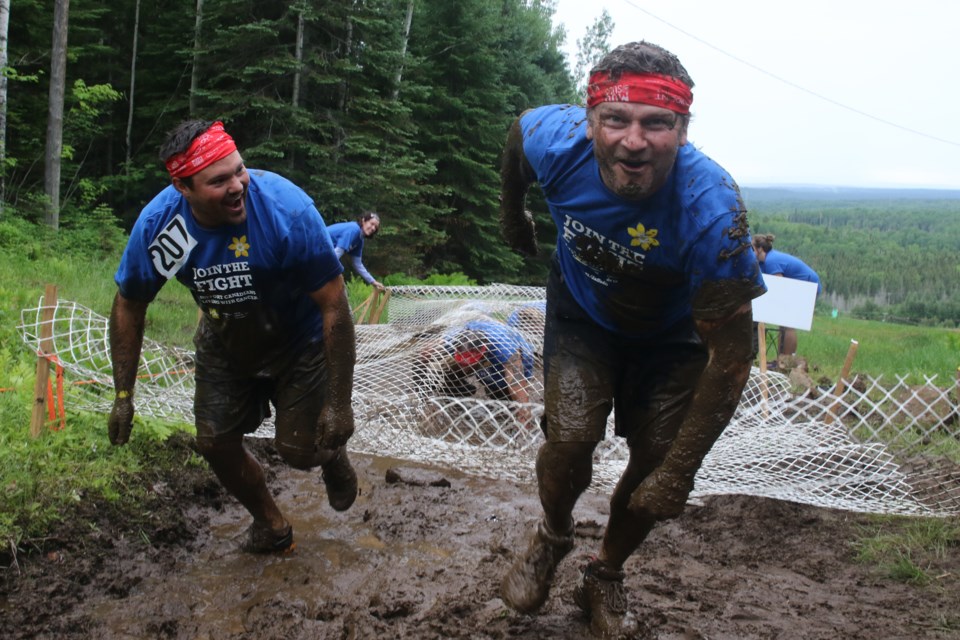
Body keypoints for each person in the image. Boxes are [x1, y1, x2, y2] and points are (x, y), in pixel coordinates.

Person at [497, 41, 767, 636]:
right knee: (568, 442)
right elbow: (517, 137)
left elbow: (731, 357)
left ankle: (606, 572)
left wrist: (682, 471)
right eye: (615, 119)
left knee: (654, 469)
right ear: (589, 119)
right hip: (584, 314)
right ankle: (553, 535)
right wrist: (511, 211)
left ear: (683, 128)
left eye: (657, 124)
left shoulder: (713, 211)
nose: (634, 142)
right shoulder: (553, 140)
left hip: (674, 340)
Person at [108, 120, 359, 555]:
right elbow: (130, 304)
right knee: (213, 441)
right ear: (182, 187)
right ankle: (270, 525)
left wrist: (339, 404)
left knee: (299, 451)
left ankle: (331, 457)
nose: (238, 186)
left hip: (299, 340)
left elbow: (335, 305)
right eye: (218, 180)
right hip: (225, 337)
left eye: (239, 170)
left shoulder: (287, 211)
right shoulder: (163, 228)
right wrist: (123, 395)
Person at [752, 233, 821, 357]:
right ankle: (781, 358)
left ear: (760, 249)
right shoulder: (763, 263)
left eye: (752, 249)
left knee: (789, 324)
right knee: (783, 323)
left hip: (807, 285)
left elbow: (779, 286)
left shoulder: (771, 261)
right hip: (798, 286)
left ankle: (786, 359)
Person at [327, 212, 386, 292]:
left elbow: (357, 264)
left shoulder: (360, 240)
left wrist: (373, 282)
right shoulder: (354, 229)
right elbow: (336, 254)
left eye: (375, 227)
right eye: (372, 224)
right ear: (363, 220)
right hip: (314, 247)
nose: (373, 228)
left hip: (325, 255)